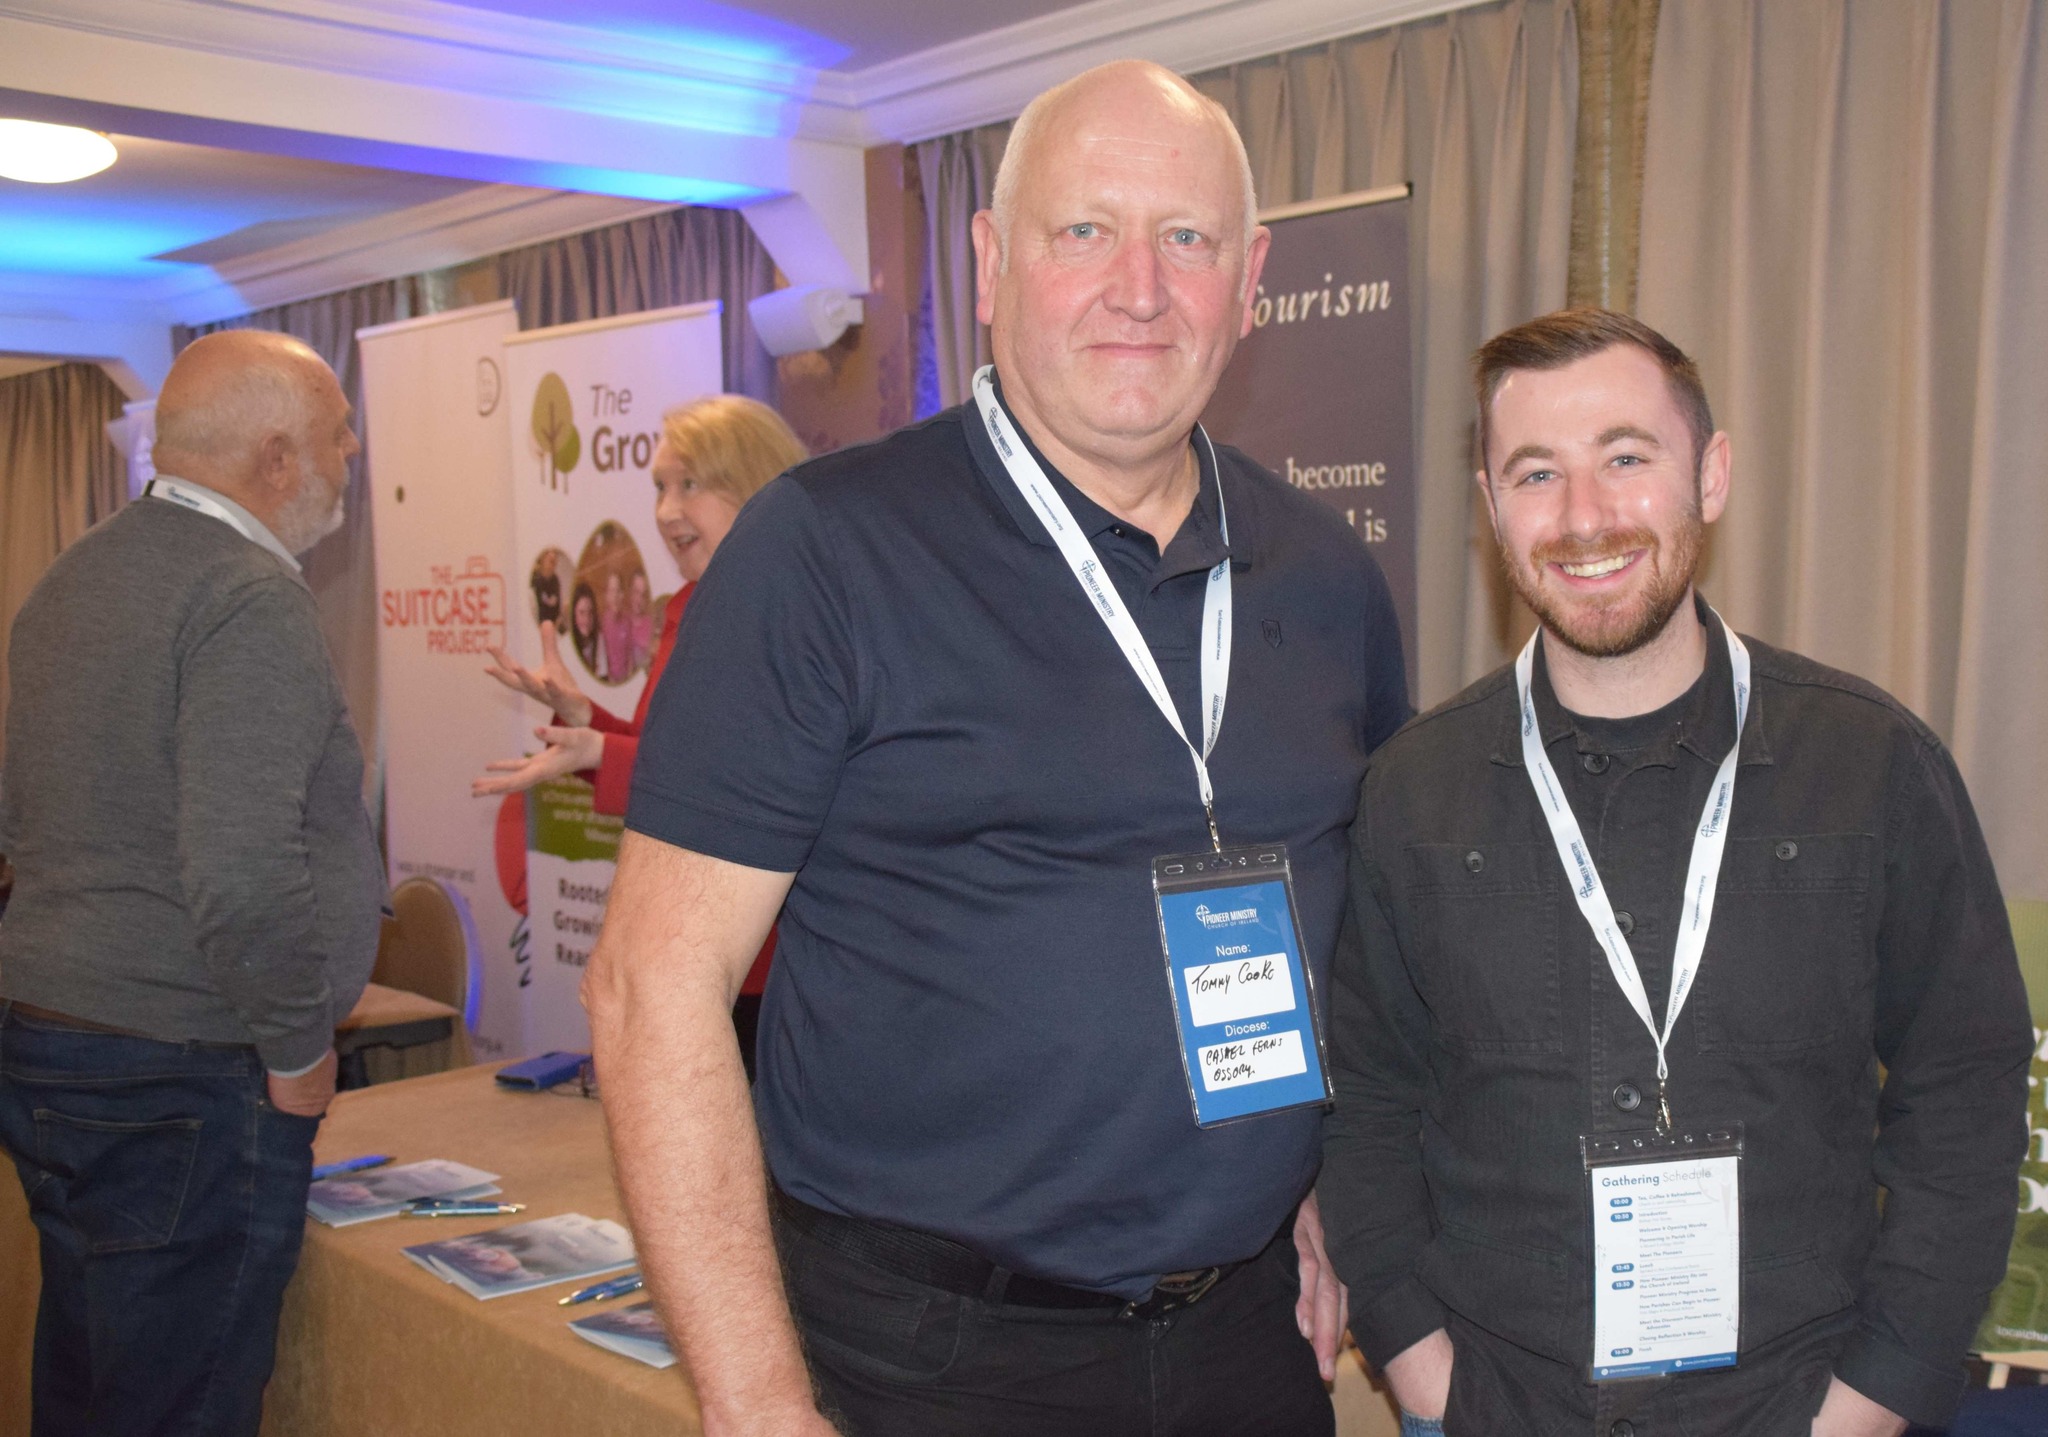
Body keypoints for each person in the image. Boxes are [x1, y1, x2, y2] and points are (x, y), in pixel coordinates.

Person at [583, 59, 1410, 1437]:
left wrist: (1326, 1176)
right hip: (928, 1358)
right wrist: (759, 1411)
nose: (1138, 284)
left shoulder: (1325, 574)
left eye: (1187, 239)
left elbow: (1361, 934)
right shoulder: (826, 551)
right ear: (989, 260)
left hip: (1243, 1343)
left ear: (1250, 277)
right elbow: (651, 987)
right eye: (1083, 229)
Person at [1318, 308, 2032, 1437]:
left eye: (1624, 458)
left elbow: (1966, 1089)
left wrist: (1878, 1394)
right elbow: (1362, 1098)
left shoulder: (1871, 767)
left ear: (1708, 476)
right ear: (1491, 510)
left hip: (1799, 1405)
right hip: (1496, 1403)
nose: (1583, 516)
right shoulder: (1412, 790)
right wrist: (1415, 1359)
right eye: (1535, 472)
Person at [0, 328, 386, 1435]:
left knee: (89, 1384)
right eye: (337, 433)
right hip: (183, 1072)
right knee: (176, 1407)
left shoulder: (71, 579)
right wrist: (298, 1048)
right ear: (275, 458)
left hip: (53, 1050)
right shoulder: (245, 596)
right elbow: (241, 873)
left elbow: (23, 817)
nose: (352, 453)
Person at [474, 393, 807, 1070]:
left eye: (689, 484)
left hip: (772, 960)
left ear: (756, 484)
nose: (665, 511)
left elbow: (741, 782)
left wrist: (600, 750)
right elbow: (670, 756)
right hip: (700, 950)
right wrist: (583, 721)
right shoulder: (688, 605)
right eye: (659, 486)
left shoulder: (790, 612)